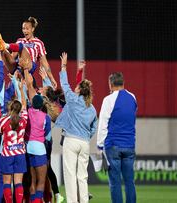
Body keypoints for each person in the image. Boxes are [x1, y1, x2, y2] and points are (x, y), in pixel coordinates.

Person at [55, 52, 98, 203]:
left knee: (70, 175)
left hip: (71, 141)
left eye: (77, 86)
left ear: (79, 90)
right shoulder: (92, 108)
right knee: (82, 176)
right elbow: (94, 128)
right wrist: (86, 137)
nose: (75, 87)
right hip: (84, 143)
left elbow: (64, 84)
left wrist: (64, 66)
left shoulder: (72, 99)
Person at [0, 17, 57, 89]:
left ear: (32, 29)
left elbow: (45, 63)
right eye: (23, 29)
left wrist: (52, 79)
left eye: (27, 29)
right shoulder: (20, 40)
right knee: (4, 50)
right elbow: (12, 57)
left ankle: (5, 45)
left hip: (29, 66)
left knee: (20, 46)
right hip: (17, 67)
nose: (24, 31)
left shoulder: (39, 43)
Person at [97, 72, 137, 203]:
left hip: (113, 145)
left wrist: (99, 146)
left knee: (115, 182)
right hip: (129, 145)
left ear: (111, 84)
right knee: (129, 181)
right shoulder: (133, 97)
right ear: (123, 83)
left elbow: (102, 124)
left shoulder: (108, 100)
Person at [0, 88, 28, 203]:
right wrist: (21, 89)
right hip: (20, 154)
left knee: (6, 182)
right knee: (18, 182)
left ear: (10, 108)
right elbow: (24, 105)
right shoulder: (24, 119)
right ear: (20, 109)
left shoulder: (4, 120)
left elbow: (0, 132)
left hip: (7, 155)